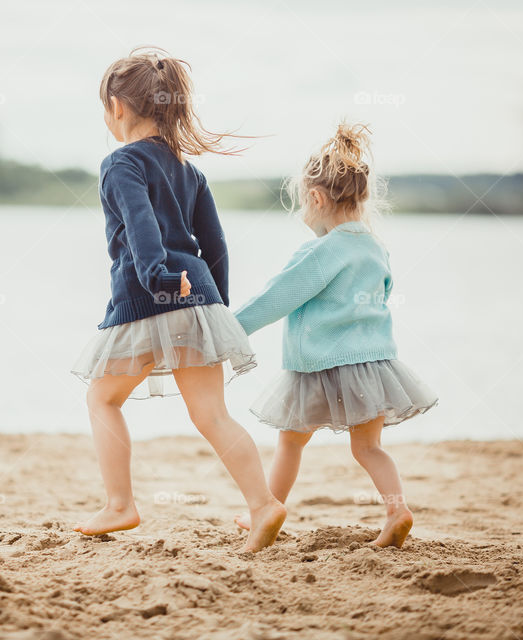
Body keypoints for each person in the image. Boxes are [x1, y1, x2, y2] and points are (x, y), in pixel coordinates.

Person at [70, 48, 286, 552]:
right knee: (212, 414)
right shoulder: (189, 170)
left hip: (151, 296)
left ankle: (120, 504)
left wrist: (160, 282)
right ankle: (263, 505)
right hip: (198, 300)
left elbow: (143, 229)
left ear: (118, 107)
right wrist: (215, 308)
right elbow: (216, 245)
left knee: (102, 397)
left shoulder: (120, 162)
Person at [233, 123, 438, 548]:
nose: (303, 216)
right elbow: (382, 295)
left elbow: (279, 297)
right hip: (373, 366)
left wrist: (232, 330)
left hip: (319, 364)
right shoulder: (375, 247)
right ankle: (396, 509)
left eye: (302, 206)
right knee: (369, 448)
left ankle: (267, 510)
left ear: (316, 198)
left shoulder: (320, 252)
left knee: (290, 442)